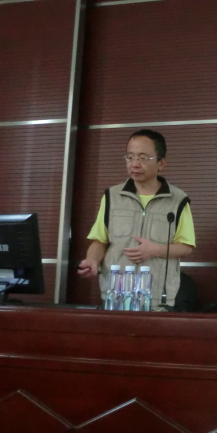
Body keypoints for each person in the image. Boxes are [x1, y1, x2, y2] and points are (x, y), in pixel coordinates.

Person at [77, 129, 195, 307]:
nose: (135, 164)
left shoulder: (178, 200)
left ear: (161, 163)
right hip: (116, 295)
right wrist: (92, 261)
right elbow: (100, 240)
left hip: (158, 298)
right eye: (130, 157)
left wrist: (155, 250)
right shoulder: (112, 196)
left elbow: (186, 246)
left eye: (143, 158)